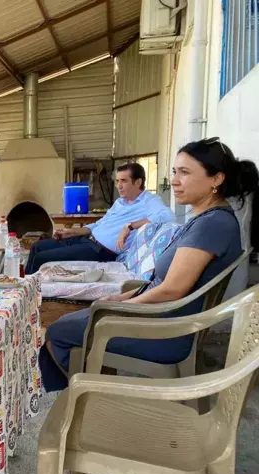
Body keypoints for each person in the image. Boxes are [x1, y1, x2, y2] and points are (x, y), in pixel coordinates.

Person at [40, 137, 258, 392]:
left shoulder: (212, 225)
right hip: (159, 317)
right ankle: (86, 386)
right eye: (175, 171)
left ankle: (81, 395)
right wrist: (120, 300)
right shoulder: (207, 219)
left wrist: (121, 308)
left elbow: (171, 290)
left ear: (216, 179)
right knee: (75, 320)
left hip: (164, 332)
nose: (174, 180)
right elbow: (162, 283)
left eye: (185, 172)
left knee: (57, 331)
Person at [25, 162, 175, 274]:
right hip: (86, 240)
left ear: (138, 182)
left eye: (124, 181)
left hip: (100, 251)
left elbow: (167, 217)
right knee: (37, 247)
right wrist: (73, 232)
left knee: (42, 258)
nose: (119, 186)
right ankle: (23, 289)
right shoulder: (119, 202)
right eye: (117, 181)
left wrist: (129, 226)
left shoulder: (149, 201)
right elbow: (100, 223)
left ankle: (31, 296)